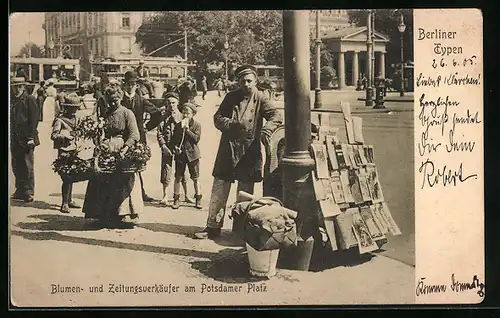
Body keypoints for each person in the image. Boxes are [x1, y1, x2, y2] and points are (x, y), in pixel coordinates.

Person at [194, 64, 282, 239]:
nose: (246, 84)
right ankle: (212, 227)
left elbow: (275, 116)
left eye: (249, 81)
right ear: (238, 82)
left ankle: (240, 229)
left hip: (249, 150)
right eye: (243, 81)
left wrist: (266, 130)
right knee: (220, 188)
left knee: (245, 191)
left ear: (255, 81)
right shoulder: (231, 97)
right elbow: (217, 118)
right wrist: (231, 125)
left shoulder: (261, 98)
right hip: (228, 148)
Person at [83, 85, 142, 227]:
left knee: (120, 181)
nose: (113, 103)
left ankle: (122, 214)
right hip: (106, 148)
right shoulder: (107, 113)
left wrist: (125, 148)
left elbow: (135, 134)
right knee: (102, 179)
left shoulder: (127, 113)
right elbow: (101, 131)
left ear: (120, 98)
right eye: (111, 100)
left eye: (116, 100)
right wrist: (98, 140)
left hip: (121, 148)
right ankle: (103, 213)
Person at [121, 70, 164, 202]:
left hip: (138, 137)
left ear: (137, 86)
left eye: (133, 84)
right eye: (128, 84)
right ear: (124, 85)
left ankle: (141, 193)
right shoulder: (119, 100)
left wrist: (146, 127)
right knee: (121, 165)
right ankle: (123, 194)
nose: (130, 87)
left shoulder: (141, 100)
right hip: (122, 137)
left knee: (137, 166)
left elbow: (157, 114)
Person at [157, 92, 193, 206]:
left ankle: (186, 195)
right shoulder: (163, 117)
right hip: (167, 147)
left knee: (182, 171)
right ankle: (165, 195)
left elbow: (185, 133)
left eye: (173, 103)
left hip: (179, 148)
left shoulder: (182, 116)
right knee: (166, 170)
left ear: (177, 103)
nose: (171, 105)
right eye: (168, 103)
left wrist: (181, 146)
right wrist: (163, 146)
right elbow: (159, 133)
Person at [10, 75, 40, 202]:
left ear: (23, 87)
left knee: (27, 165)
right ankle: (19, 189)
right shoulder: (12, 100)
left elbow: (34, 120)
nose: (16, 90)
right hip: (15, 138)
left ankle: (28, 191)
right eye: (13, 87)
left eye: (18, 87)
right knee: (16, 164)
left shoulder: (29, 99)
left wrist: (31, 137)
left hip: (27, 139)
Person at [51, 94, 83, 213]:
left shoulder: (77, 119)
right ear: (66, 108)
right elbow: (53, 135)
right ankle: (64, 203)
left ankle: (69, 200)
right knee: (66, 177)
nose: (74, 111)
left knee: (72, 175)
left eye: (76, 108)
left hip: (74, 150)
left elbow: (79, 131)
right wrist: (64, 137)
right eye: (72, 108)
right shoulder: (59, 120)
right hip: (64, 152)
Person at [171, 102, 202, 209]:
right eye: (183, 113)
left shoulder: (197, 125)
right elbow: (174, 140)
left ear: (193, 114)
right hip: (181, 155)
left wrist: (187, 130)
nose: (185, 115)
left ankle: (198, 198)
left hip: (193, 155)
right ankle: (176, 199)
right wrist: (175, 147)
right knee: (178, 177)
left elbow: (196, 139)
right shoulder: (178, 125)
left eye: (188, 113)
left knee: (195, 177)